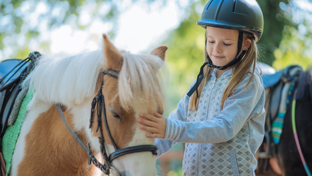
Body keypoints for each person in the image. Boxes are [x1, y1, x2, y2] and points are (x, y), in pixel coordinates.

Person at [138, 0, 265, 175]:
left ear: (246, 44)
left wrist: (170, 128)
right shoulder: (202, 81)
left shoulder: (248, 82)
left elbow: (224, 128)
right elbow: (178, 120)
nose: (216, 49)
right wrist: (142, 153)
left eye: (226, 43)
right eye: (211, 41)